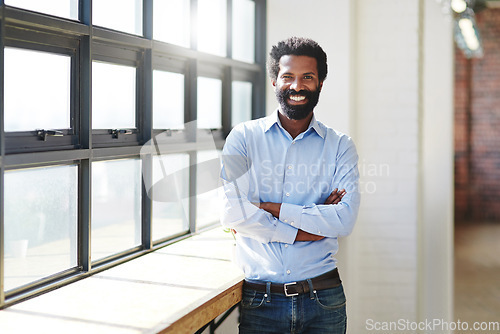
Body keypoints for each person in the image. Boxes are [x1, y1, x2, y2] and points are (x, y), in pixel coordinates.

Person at [220, 37, 360, 334]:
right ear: (274, 81)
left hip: (324, 299)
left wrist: (269, 208)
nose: (297, 86)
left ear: (320, 82)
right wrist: (307, 227)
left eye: (307, 77)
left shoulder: (340, 146)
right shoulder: (243, 139)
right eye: (288, 77)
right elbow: (233, 213)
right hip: (261, 300)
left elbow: (344, 219)